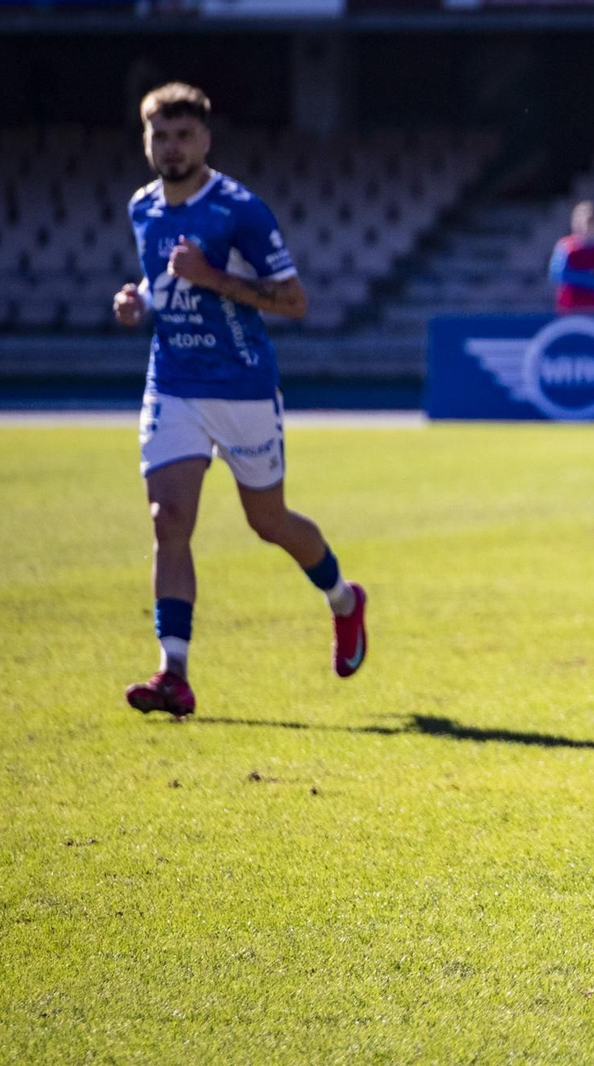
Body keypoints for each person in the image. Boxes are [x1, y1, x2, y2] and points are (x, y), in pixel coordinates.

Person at [111, 82, 367, 719]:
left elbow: (294, 301)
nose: (171, 148)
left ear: (205, 140)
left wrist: (213, 277)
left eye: (183, 136)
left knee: (268, 522)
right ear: (148, 142)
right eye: (159, 136)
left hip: (243, 384)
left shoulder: (239, 210)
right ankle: (174, 673)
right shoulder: (142, 207)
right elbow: (162, 278)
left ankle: (343, 599)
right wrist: (139, 301)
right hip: (172, 382)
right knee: (167, 519)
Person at [549, 200, 594, 313]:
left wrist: (578, 277)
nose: (586, 225)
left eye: (591, 221)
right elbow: (558, 275)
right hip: (570, 308)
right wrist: (592, 275)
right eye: (581, 220)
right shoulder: (565, 246)